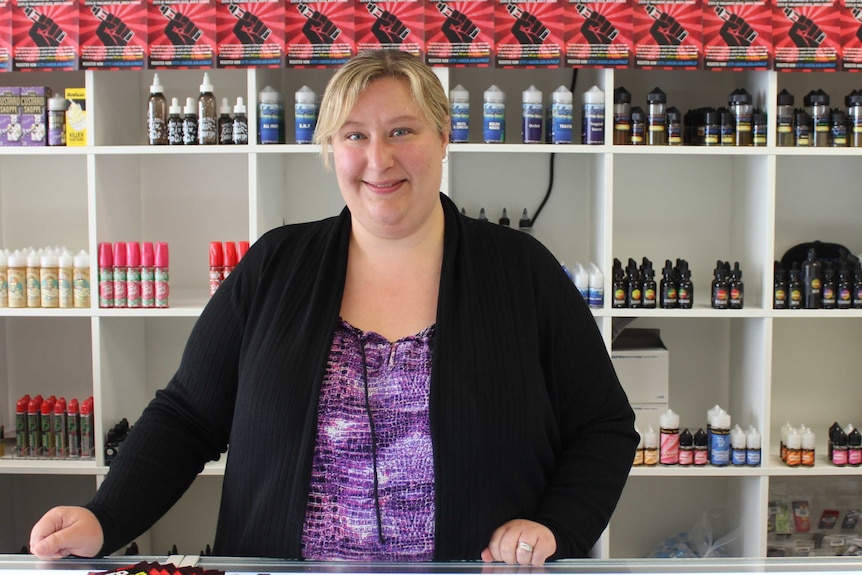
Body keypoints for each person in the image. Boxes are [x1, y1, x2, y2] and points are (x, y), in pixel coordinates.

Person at [29, 50, 638, 566]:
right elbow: (188, 416)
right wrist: (103, 517)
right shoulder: (275, 266)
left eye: (403, 130)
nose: (379, 158)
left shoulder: (520, 271)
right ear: (330, 148)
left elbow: (603, 426)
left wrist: (556, 527)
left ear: (444, 138)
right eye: (355, 135)